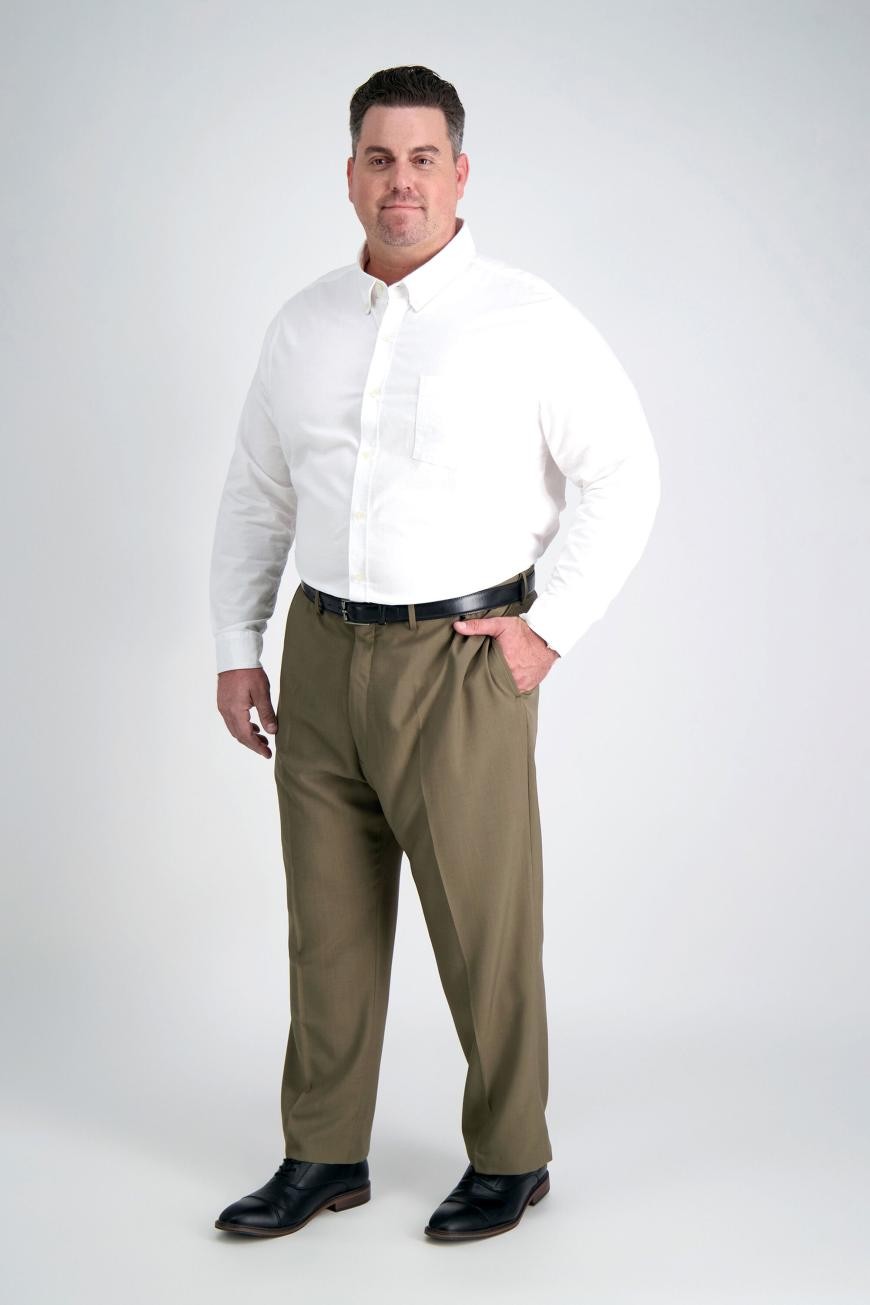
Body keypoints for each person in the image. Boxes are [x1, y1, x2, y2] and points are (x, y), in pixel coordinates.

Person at [209, 64, 661, 1242]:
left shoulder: (526, 318)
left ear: (460, 174)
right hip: (321, 652)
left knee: (483, 928)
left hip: (459, 659)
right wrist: (237, 643)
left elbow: (624, 473)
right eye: (379, 159)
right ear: (349, 176)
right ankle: (323, 1154)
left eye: (422, 159)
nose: (399, 181)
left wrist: (548, 627)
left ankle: (511, 1158)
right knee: (326, 926)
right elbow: (258, 493)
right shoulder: (303, 324)